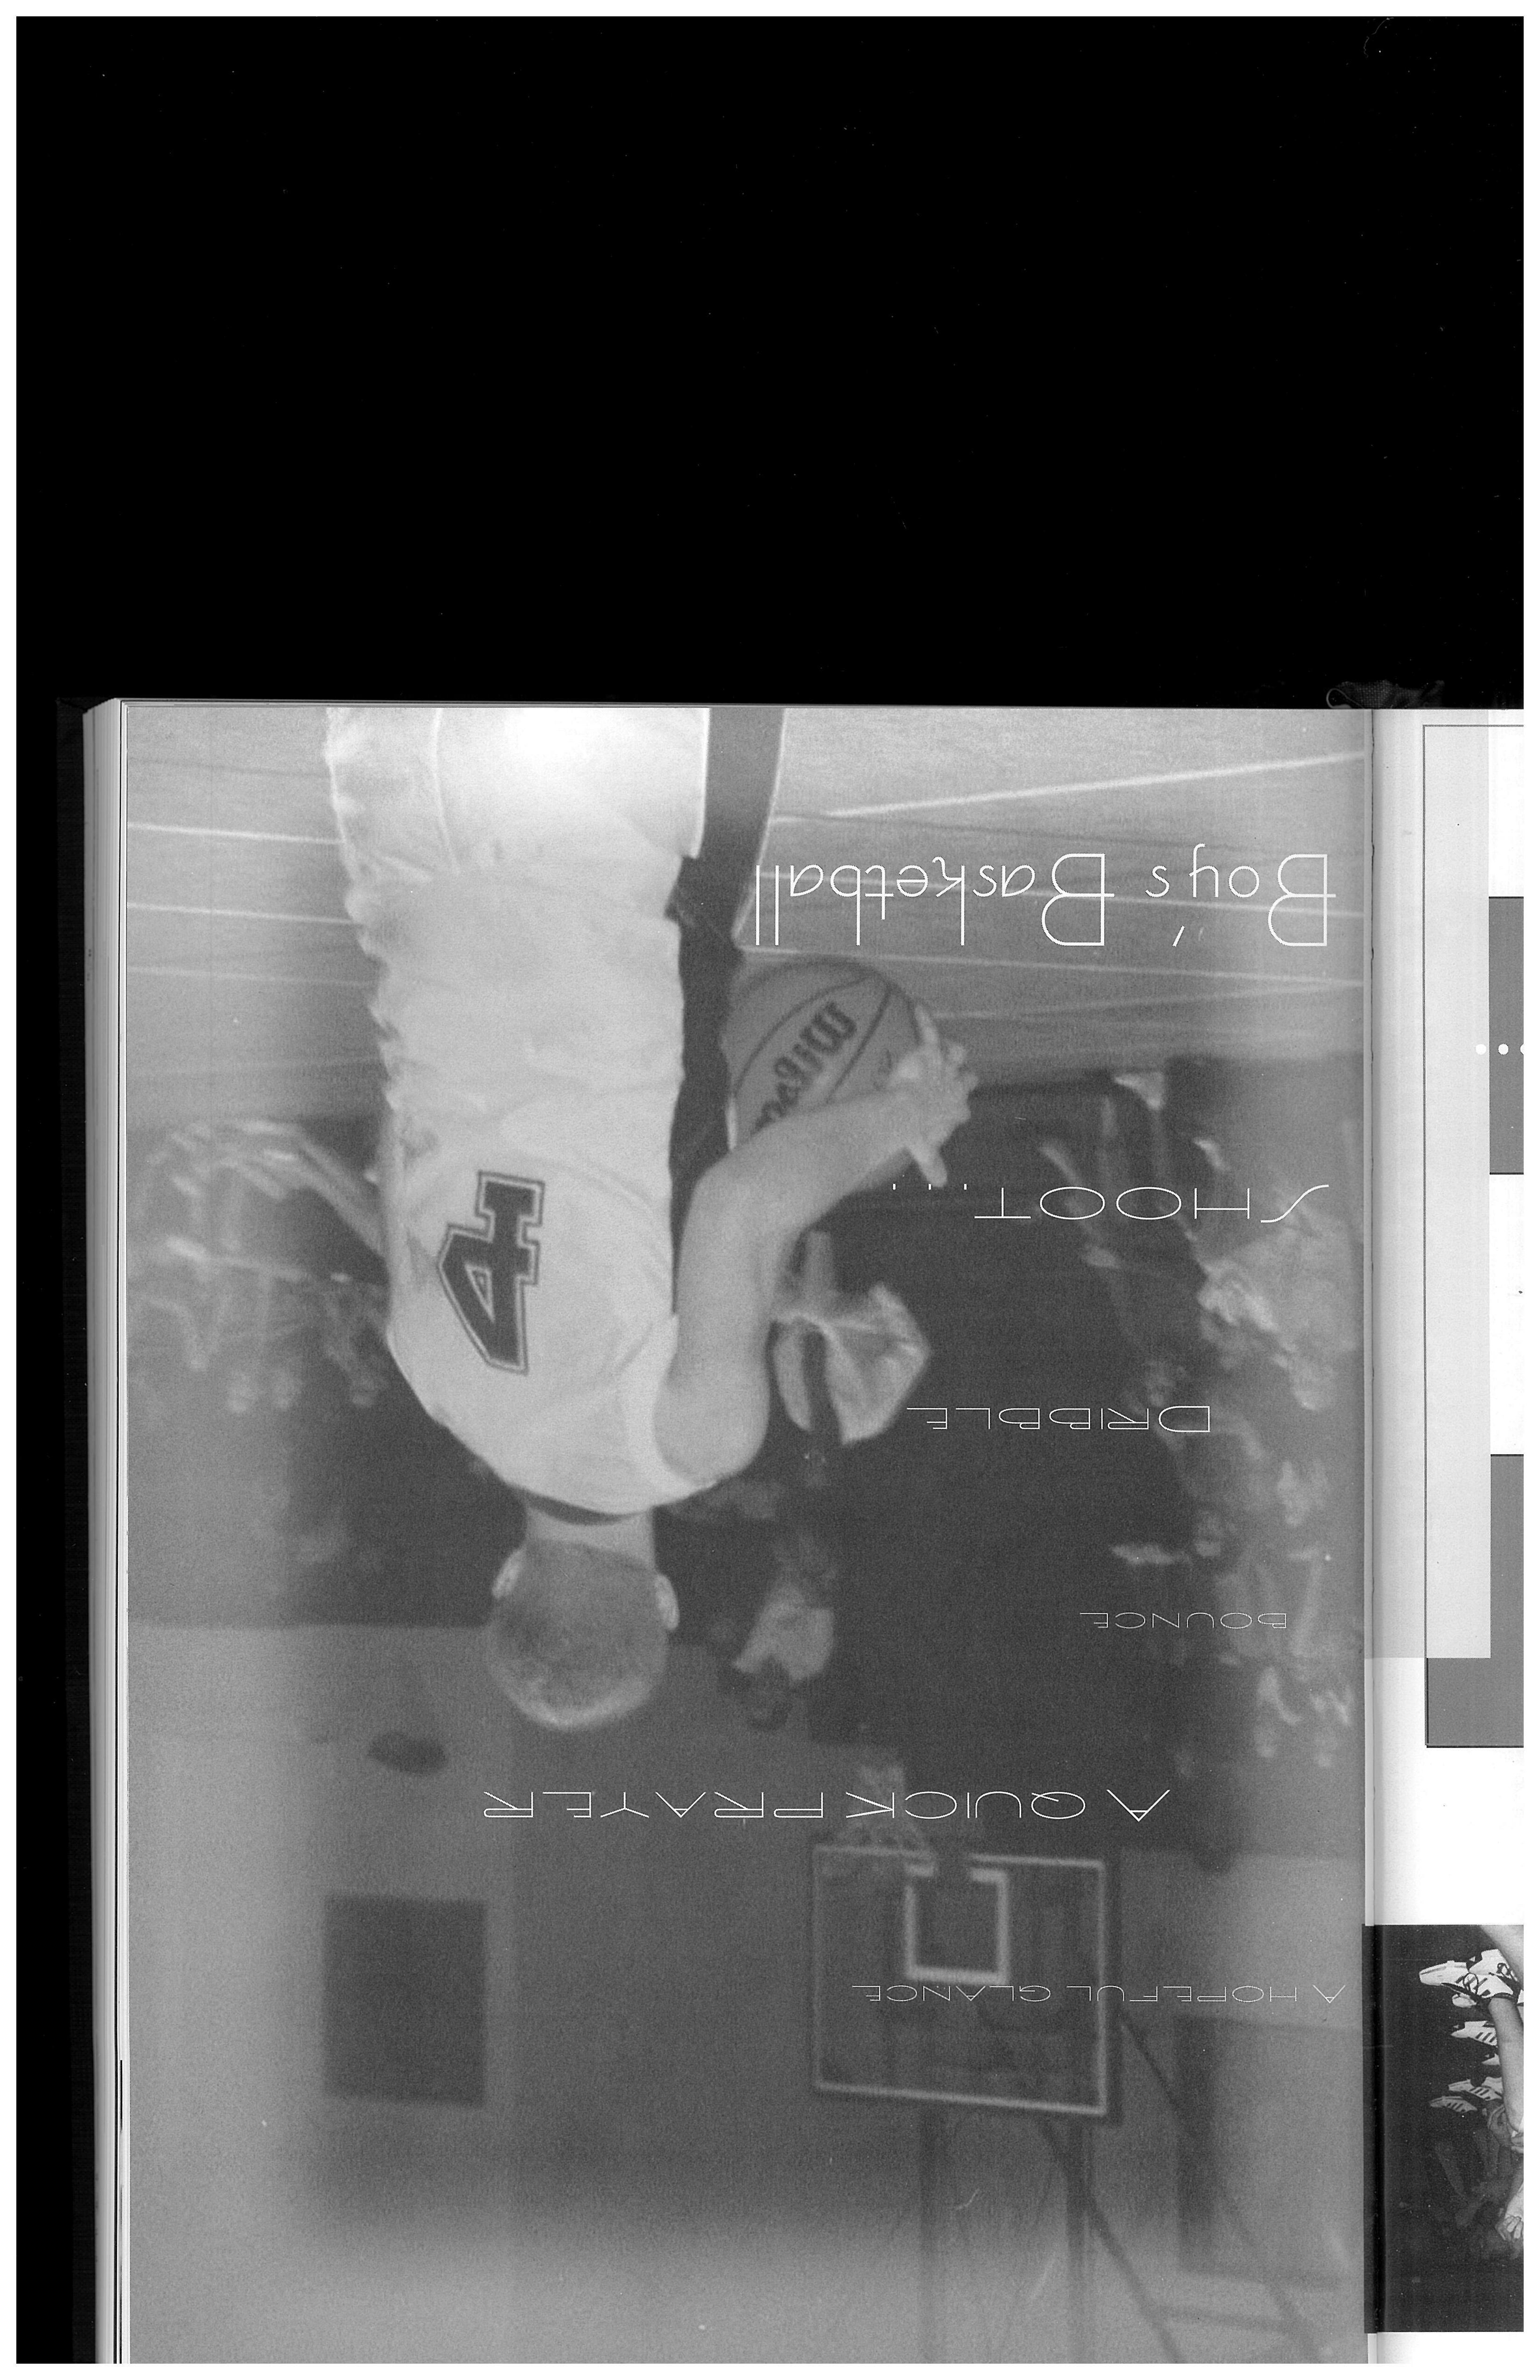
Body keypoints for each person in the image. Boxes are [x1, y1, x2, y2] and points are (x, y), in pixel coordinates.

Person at [279, 707, 973, 1731]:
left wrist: (909, 1117)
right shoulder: (431, 1376)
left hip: (602, 884)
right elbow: (414, 1146)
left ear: (664, 1602)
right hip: (412, 878)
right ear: (508, 1576)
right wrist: (782, 1306)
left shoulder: (691, 1442)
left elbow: (740, 1204)